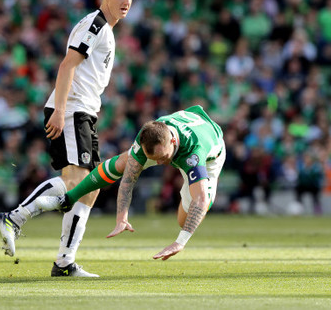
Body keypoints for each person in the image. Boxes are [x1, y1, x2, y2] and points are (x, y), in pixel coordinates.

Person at [0, 0, 135, 277]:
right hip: (71, 109)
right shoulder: (95, 24)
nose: (127, 2)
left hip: (84, 111)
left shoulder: (107, 30)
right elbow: (67, 65)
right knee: (77, 183)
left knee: (90, 188)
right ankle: (13, 218)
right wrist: (60, 110)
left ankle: (64, 262)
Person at [37, 105, 226, 261]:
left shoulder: (194, 152)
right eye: (155, 158)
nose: (159, 164)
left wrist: (180, 242)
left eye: (162, 158)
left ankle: (186, 192)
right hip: (182, 129)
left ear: (173, 142)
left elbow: (200, 199)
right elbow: (128, 179)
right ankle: (68, 198)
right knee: (124, 162)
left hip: (210, 156)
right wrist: (122, 217)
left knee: (185, 218)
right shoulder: (148, 135)